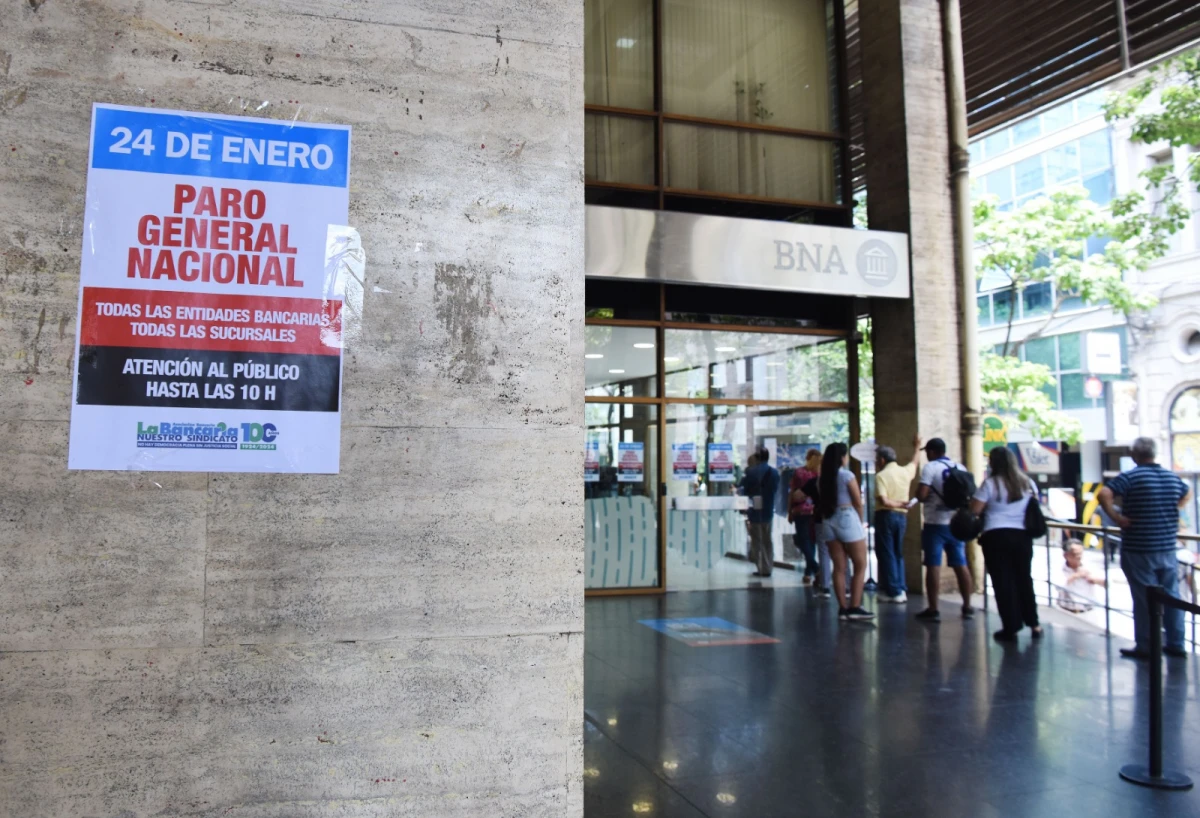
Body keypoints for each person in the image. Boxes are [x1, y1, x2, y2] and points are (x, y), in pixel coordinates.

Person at [1097, 437, 1192, 660]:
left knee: (1143, 599)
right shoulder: (1171, 477)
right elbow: (1186, 493)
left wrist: (1117, 517)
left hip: (1139, 548)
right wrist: (1174, 508)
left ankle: (1147, 646)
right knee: (1172, 596)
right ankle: (1176, 643)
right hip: (1167, 547)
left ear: (1134, 455)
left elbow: (1103, 494)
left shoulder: (1131, 476)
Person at [969, 447, 1041, 642]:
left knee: (1003, 582)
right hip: (1022, 537)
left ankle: (1011, 625)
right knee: (1024, 579)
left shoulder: (990, 484)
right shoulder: (1028, 483)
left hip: (995, 537)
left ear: (994, 462)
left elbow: (975, 510)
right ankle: (1034, 623)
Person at [915, 437, 975, 622]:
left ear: (932, 452)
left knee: (933, 565)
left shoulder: (930, 468)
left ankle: (933, 608)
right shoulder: (960, 467)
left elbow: (922, 495)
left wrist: (919, 494)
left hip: (935, 522)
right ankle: (967, 605)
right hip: (955, 522)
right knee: (960, 563)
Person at [816, 443, 874, 620]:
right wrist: (860, 521)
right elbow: (857, 501)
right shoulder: (847, 475)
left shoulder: (821, 479)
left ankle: (842, 608)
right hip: (846, 517)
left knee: (839, 567)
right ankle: (855, 606)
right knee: (860, 564)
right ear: (842, 457)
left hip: (828, 520)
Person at [874, 436, 923, 604]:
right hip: (901, 517)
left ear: (881, 459)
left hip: (885, 516)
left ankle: (893, 591)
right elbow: (915, 462)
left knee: (886, 553)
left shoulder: (881, 476)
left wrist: (898, 503)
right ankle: (901, 588)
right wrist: (917, 447)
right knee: (898, 552)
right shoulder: (904, 472)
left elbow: (884, 500)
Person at [742, 447, 780, 577]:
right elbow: (776, 490)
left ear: (757, 458)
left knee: (757, 540)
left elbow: (744, 490)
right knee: (767, 540)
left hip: (754, 511)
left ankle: (760, 567)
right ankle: (768, 567)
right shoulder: (774, 472)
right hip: (768, 510)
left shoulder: (751, 472)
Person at [789, 448, 822, 585]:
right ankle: (810, 572)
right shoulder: (820, 473)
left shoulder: (799, 472)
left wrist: (789, 511)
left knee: (804, 542)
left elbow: (792, 493)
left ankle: (814, 569)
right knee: (811, 542)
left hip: (800, 511)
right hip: (815, 511)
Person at [1058, 540, 1105, 614]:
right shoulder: (1059, 569)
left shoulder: (1089, 566)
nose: (1079, 557)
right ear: (1066, 555)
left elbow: (1107, 584)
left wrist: (1095, 580)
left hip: (1089, 610)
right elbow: (1058, 587)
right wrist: (1076, 575)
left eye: (1081, 554)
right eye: (1075, 554)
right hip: (1067, 611)